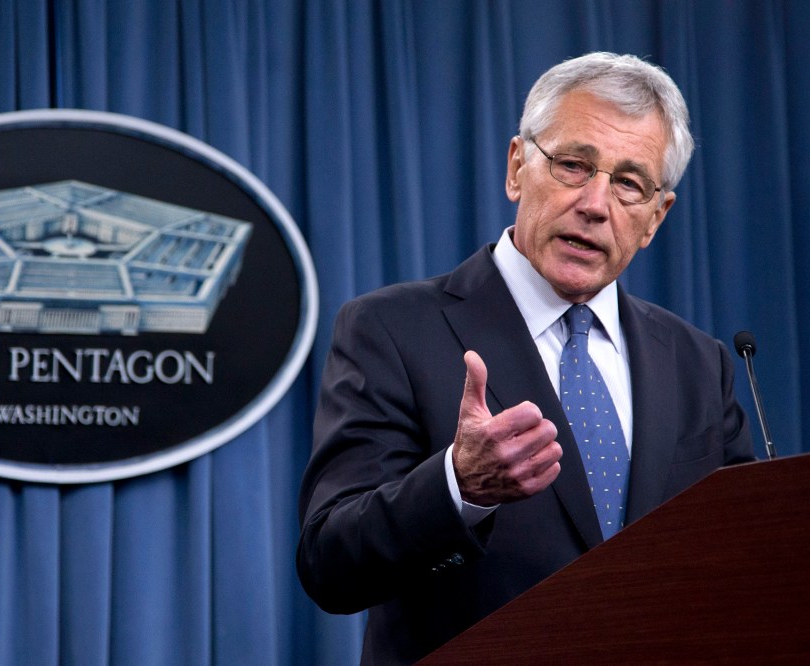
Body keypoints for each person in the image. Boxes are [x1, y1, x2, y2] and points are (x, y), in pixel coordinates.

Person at [296, 52, 755, 665]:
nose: (596, 204)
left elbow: (744, 561)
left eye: (628, 183)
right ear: (517, 168)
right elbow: (331, 563)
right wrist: (459, 485)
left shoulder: (701, 363)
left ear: (655, 217)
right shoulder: (392, 329)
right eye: (573, 165)